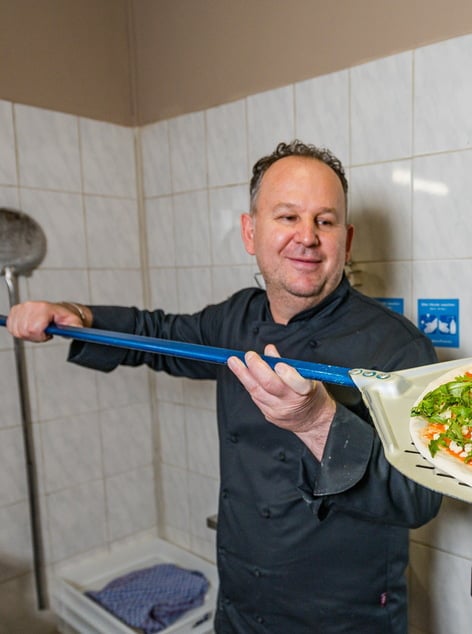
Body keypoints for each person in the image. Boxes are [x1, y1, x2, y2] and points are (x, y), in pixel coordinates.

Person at [5, 140, 443, 632]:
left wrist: (317, 422)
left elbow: (419, 498)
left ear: (348, 238)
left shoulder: (398, 349)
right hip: (239, 605)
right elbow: (158, 335)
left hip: (342, 617)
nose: (307, 237)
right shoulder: (236, 317)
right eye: (287, 217)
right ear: (249, 232)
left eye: (325, 220)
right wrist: (78, 317)